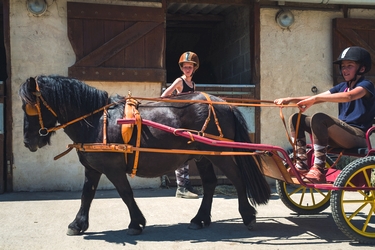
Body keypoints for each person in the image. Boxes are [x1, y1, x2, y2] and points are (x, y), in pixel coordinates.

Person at [274, 46, 375, 183]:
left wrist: (315, 100)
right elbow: (317, 97)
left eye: (349, 66)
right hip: (341, 134)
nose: (344, 69)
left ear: (361, 69)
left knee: (319, 118)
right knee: (296, 118)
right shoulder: (342, 86)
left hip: (357, 136)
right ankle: (301, 164)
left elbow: (348, 97)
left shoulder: (366, 85)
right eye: (343, 66)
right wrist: (290, 99)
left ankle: (318, 169)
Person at [161, 51, 200, 198]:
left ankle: (186, 184)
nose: (187, 69)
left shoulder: (193, 84)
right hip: (180, 119)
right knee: (181, 152)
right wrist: (174, 102)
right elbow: (165, 95)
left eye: (190, 67)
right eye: (185, 67)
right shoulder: (179, 81)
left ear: (194, 68)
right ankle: (181, 187)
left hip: (190, 120)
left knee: (189, 152)